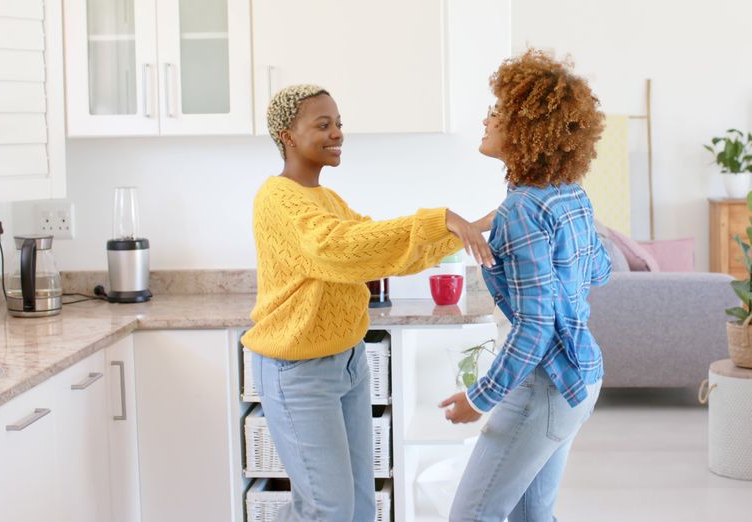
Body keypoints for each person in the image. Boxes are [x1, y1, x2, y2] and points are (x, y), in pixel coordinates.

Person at [245, 84, 494, 522]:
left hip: (347, 362)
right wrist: (437, 219)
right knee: (329, 508)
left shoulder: (326, 199)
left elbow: (377, 252)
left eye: (339, 123)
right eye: (323, 124)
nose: (337, 133)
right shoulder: (277, 196)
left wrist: (462, 229)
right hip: (297, 371)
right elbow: (338, 247)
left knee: (359, 504)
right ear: (287, 134)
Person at [441, 50, 612, 521]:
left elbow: (534, 327)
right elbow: (599, 270)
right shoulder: (569, 196)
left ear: (524, 128)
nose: (486, 119)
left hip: (544, 386)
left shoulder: (523, 211)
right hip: (581, 378)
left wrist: (480, 398)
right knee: (532, 517)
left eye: (496, 111)